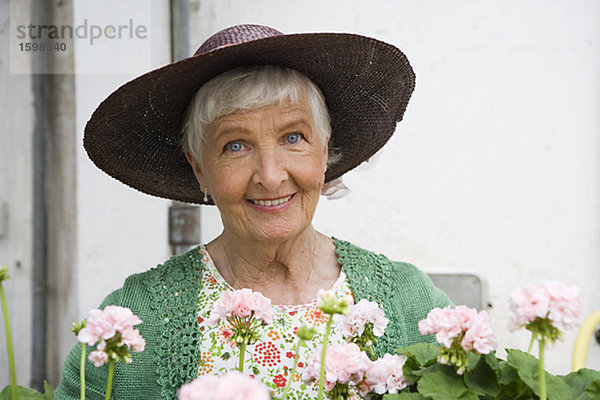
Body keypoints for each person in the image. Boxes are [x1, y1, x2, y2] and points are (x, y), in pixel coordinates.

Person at [55, 24, 452, 399]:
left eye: (293, 137)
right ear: (199, 168)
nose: (270, 175)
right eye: (235, 146)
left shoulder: (408, 301)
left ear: (324, 150)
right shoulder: (135, 319)